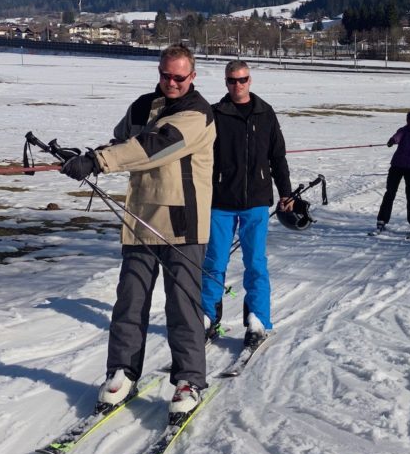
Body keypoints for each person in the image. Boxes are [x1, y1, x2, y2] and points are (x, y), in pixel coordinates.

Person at [60, 44, 216, 419]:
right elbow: (123, 141)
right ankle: (122, 372)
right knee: (129, 301)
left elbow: (153, 146)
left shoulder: (197, 113)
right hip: (140, 219)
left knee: (183, 307)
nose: (172, 83)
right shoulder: (142, 105)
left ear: (192, 76)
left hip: (182, 224)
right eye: (166, 75)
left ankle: (189, 380)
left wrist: (98, 161)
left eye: (180, 77)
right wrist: (85, 156)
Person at [200, 60, 293, 351]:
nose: (237, 85)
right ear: (226, 82)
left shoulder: (265, 113)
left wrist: (286, 193)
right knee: (215, 261)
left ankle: (258, 320)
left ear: (250, 80)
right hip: (221, 200)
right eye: (231, 81)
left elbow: (278, 156)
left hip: (255, 200)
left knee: (255, 262)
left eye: (242, 80)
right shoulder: (215, 114)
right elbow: (202, 160)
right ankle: (207, 317)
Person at [373, 110, 410, 237]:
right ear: (408, 121)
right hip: (397, 166)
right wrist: (392, 140)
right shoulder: (404, 131)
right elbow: (397, 136)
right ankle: (382, 220)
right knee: (390, 193)